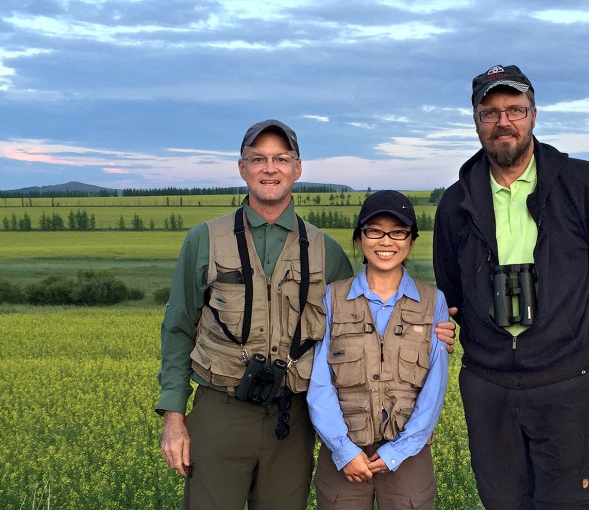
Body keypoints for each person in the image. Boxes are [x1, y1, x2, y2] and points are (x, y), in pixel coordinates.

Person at [156, 120, 455, 510]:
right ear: (242, 167)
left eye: (281, 158)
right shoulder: (204, 240)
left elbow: (361, 326)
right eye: (258, 158)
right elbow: (178, 328)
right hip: (220, 409)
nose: (270, 167)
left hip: (291, 417)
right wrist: (174, 419)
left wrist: (433, 330)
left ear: (297, 168)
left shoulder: (325, 250)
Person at [433, 65, 589, 510]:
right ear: (476, 121)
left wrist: (572, 339)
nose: (504, 122)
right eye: (491, 112)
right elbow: (452, 287)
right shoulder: (455, 202)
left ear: (534, 115)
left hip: (566, 383)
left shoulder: (580, 182)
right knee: (501, 502)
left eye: (515, 110)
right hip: (488, 386)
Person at [307, 190, 449, 510]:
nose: (386, 241)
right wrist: (342, 449)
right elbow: (319, 382)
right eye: (374, 230)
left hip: (408, 456)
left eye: (398, 232)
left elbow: (434, 388)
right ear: (359, 239)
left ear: (411, 241)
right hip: (342, 454)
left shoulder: (433, 302)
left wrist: (398, 450)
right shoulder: (332, 299)